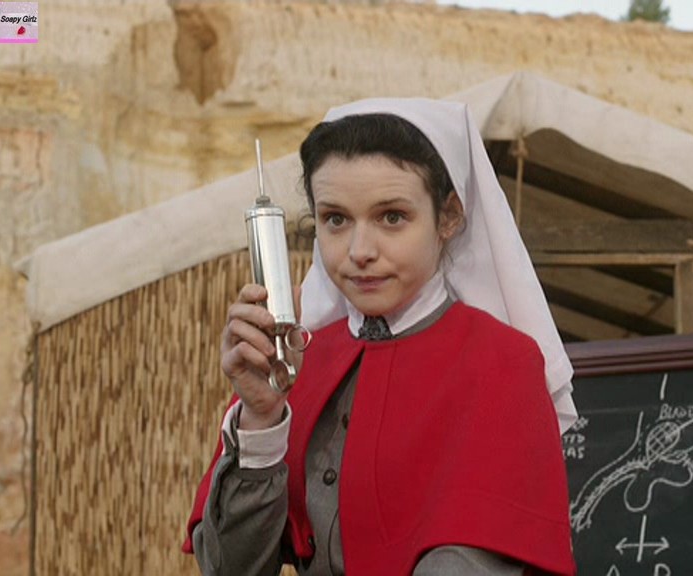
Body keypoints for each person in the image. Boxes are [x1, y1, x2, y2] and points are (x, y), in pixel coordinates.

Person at [182, 98, 578, 575]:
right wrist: (261, 420)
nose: (360, 251)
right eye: (336, 219)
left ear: (449, 217)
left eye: (391, 217)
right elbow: (230, 568)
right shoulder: (299, 360)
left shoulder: (502, 363)